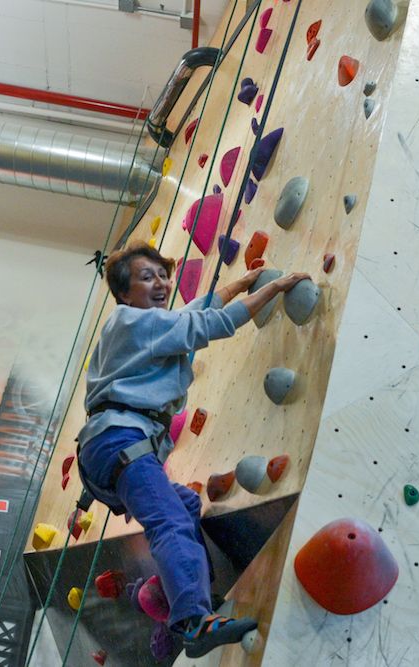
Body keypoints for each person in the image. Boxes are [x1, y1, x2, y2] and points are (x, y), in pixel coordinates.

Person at [76, 241, 309, 658]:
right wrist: (273, 289)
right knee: (168, 522)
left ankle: (191, 598)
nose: (161, 283)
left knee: (181, 506)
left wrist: (242, 281)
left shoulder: (140, 326)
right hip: (120, 441)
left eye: (163, 274)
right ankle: (192, 620)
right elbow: (208, 325)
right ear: (124, 294)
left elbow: (192, 313)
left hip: (111, 447)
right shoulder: (134, 321)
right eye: (147, 278)